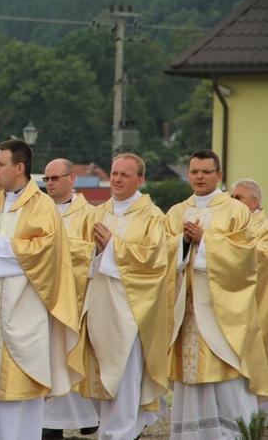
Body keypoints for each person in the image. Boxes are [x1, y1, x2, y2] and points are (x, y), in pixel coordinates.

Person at [0, 139, 82, 440]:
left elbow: (50, 251)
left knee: (15, 398)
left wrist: (2, 246)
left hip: (19, 313)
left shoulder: (43, 206)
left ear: (19, 167)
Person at [166, 150, 268, 438]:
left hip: (222, 312)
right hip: (187, 313)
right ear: (187, 174)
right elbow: (160, 256)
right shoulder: (176, 212)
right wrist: (182, 243)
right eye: (194, 171)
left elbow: (247, 256)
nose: (199, 176)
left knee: (226, 375)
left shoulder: (235, 211)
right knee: (191, 378)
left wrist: (205, 241)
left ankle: (233, 434)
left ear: (219, 175)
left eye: (206, 171)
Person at [74, 153, 169, 439]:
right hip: (98, 305)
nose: (116, 179)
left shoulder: (153, 216)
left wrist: (113, 247)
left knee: (126, 377)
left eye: (124, 175)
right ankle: (109, 431)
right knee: (100, 375)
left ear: (140, 179)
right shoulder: (96, 212)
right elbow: (79, 252)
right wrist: (94, 252)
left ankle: (123, 433)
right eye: (114, 173)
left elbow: (155, 261)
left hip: (130, 310)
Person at [40, 159, 99, 439]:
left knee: (70, 354)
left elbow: (93, 253)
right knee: (46, 357)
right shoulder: (39, 210)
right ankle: (48, 421)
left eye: (55, 178)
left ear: (72, 178)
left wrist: (55, 249)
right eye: (46, 179)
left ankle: (86, 417)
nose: (49, 184)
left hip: (74, 298)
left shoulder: (90, 214)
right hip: (42, 296)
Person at [232, 178, 268, 412]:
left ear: (254, 202)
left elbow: (261, 255)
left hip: (258, 299)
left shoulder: (263, 226)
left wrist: (231, 248)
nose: (233, 202)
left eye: (239, 198)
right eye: (232, 198)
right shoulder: (234, 224)